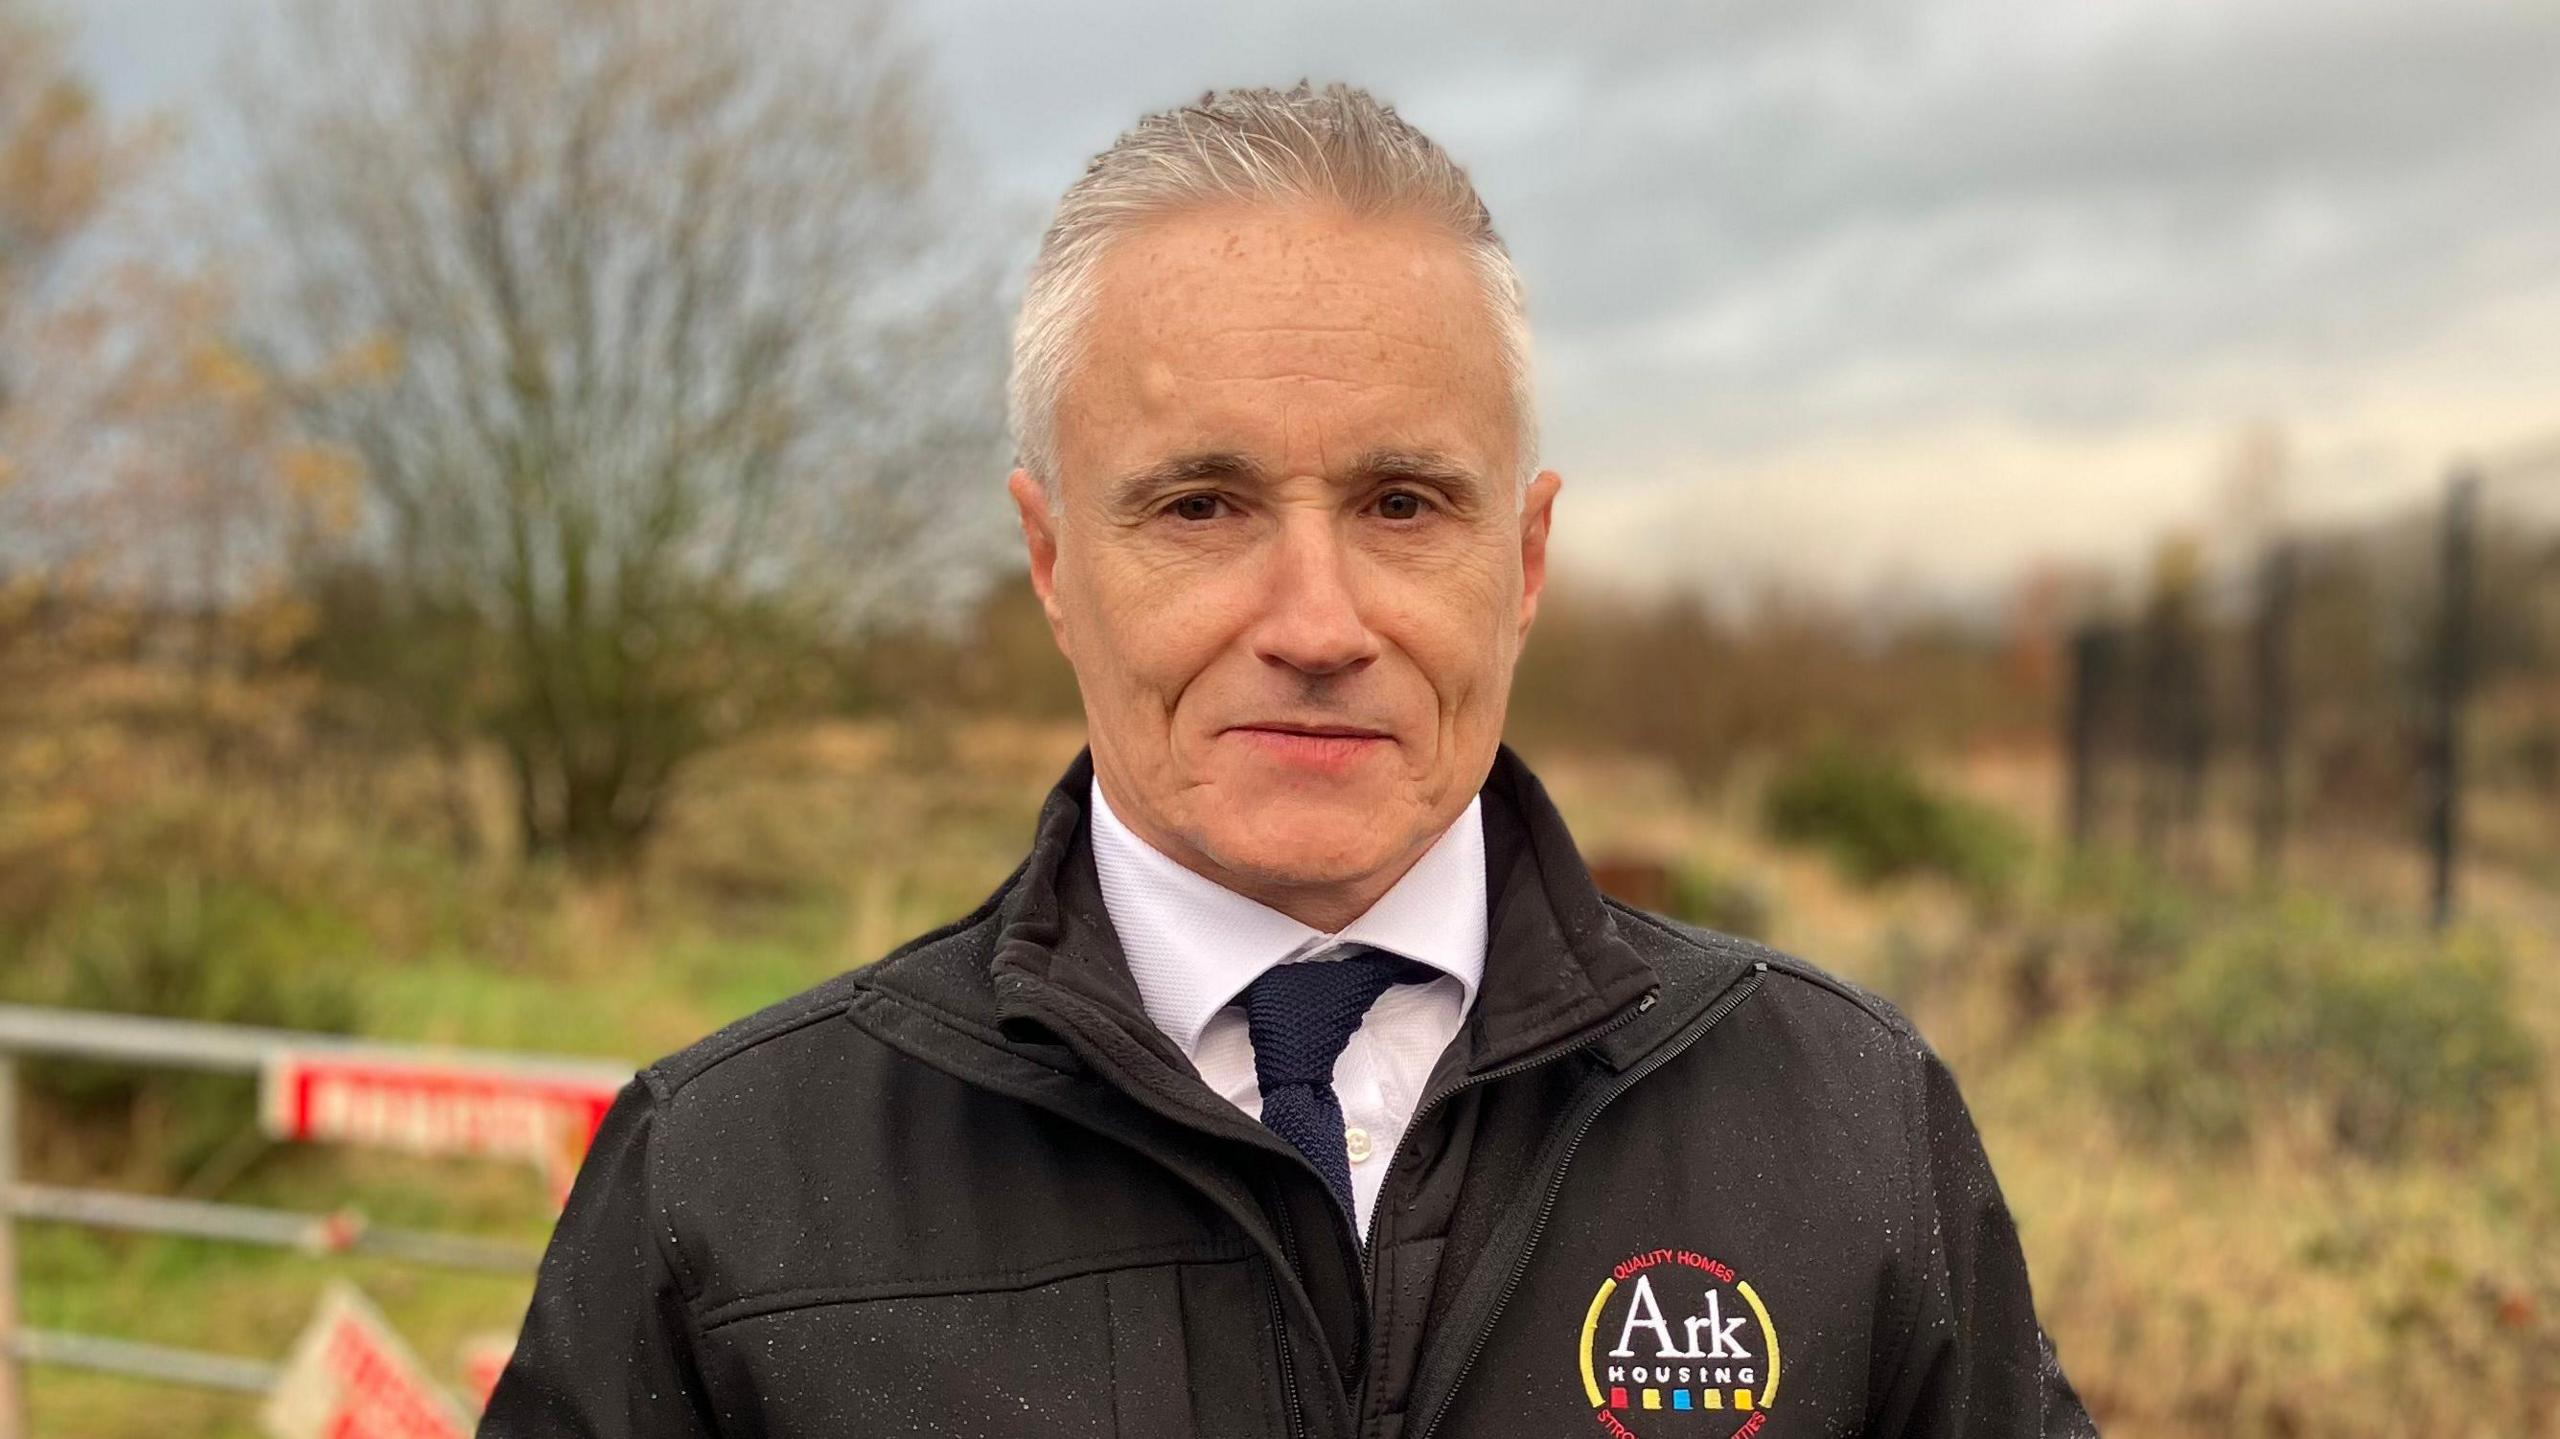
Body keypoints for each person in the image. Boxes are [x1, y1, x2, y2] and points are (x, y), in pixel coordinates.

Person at [479, 82, 2098, 1439]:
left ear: (1524, 563)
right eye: (1201, 507)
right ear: (1049, 561)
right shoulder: (732, 1185)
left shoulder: (1845, 1126)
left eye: (1404, 504)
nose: (1317, 622)